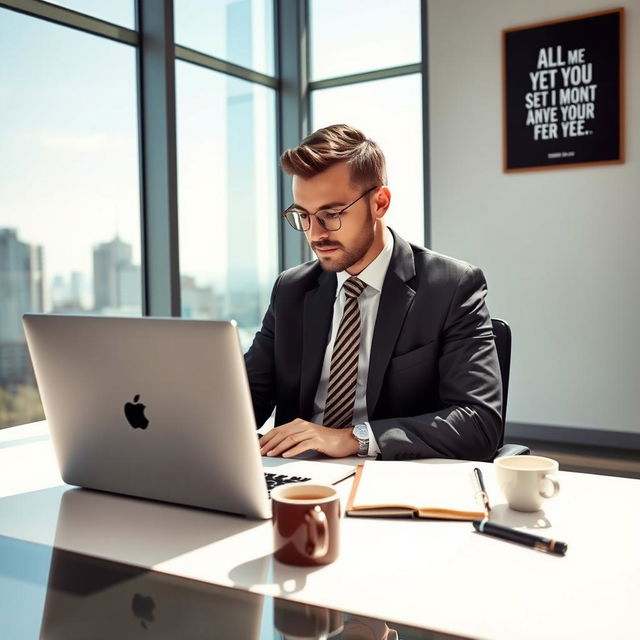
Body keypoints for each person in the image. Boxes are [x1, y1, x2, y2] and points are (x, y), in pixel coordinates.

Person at [245, 124, 502, 461]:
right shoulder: (291, 290)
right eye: (303, 216)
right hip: (300, 479)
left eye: (331, 214)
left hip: (391, 475)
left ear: (379, 203)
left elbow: (477, 422)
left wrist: (353, 438)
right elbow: (246, 398)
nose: (315, 233)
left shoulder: (451, 287)